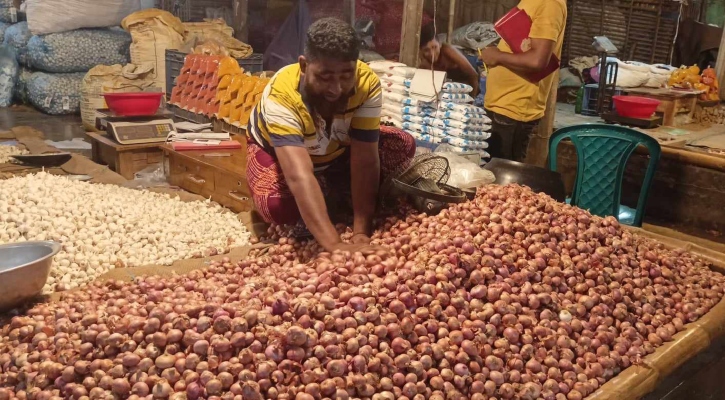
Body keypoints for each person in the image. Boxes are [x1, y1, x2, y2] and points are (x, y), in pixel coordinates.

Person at [246, 17, 416, 254]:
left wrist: (360, 234)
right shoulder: (282, 96)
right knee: (277, 206)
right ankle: (327, 196)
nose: (336, 89)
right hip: (281, 155)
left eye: (346, 76)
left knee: (402, 145)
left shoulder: (366, 85)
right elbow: (298, 175)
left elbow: (365, 159)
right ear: (304, 66)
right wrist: (335, 245)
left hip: (333, 150)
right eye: (325, 77)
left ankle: (329, 192)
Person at [479, 0, 567, 162]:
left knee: (504, 180)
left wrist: (497, 56)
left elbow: (537, 61)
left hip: (514, 109)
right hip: (502, 105)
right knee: (492, 176)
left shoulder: (550, 3)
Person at [418, 23, 480, 96]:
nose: (432, 53)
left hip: (469, 71)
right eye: (426, 50)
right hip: (451, 81)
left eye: (434, 47)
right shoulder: (423, 62)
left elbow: (473, 75)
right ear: (421, 51)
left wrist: (472, 100)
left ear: (440, 44)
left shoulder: (448, 50)